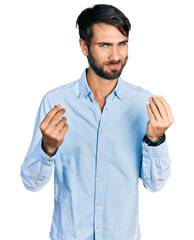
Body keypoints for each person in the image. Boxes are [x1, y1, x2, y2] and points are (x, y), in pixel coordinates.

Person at [20, 4, 175, 240]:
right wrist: (47, 147)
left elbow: (155, 185)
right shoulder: (56, 103)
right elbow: (31, 182)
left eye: (121, 44)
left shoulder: (143, 103)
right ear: (84, 46)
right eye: (105, 45)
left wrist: (156, 139)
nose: (115, 56)